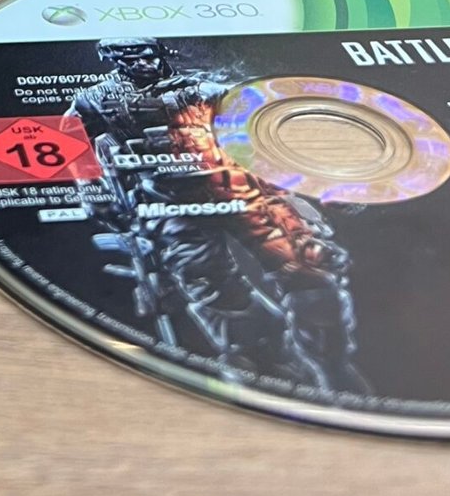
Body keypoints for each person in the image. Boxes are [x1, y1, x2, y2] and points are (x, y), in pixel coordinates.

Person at [67, 37, 361, 390]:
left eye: (145, 56)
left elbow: (264, 124)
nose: (141, 64)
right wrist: (91, 189)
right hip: (167, 202)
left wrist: (321, 180)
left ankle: (331, 364)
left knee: (307, 268)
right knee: (212, 287)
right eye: (129, 59)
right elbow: (72, 140)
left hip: (240, 190)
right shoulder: (94, 99)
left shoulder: (201, 88)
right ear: (114, 60)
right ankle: (267, 360)